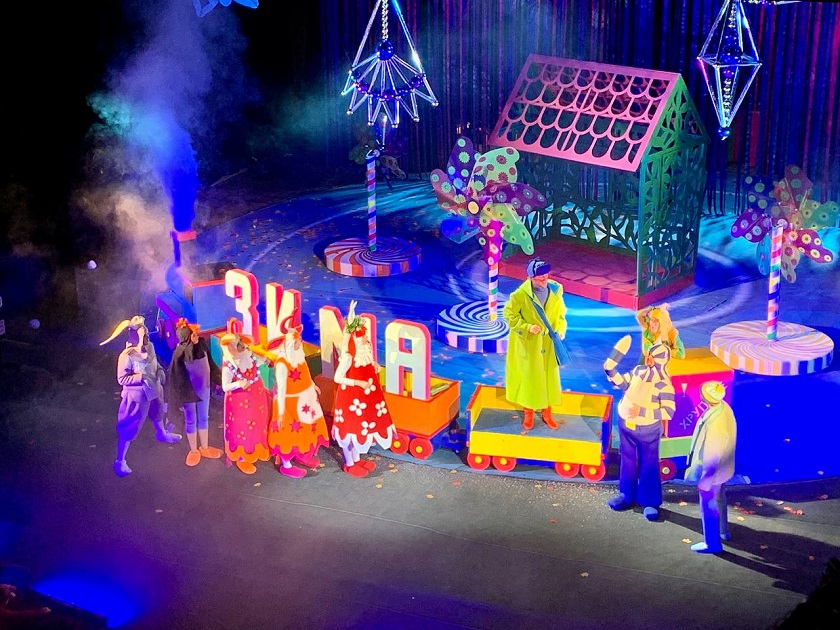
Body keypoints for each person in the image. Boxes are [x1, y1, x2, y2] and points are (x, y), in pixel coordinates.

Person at [603, 335, 675, 521]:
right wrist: (611, 371)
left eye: (652, 356)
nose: (648, 358)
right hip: (626, 426)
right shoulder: (639, 371)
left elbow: (668, 411)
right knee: (627, 461)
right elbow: (624, 384)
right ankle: (626, 495)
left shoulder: (664, 384)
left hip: (647, 431)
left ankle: (649, 502)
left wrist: (641, 411)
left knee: (649, 465)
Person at [100, 315, 182, 477]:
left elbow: (155, 364)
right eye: (143, 336)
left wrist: (160, 371)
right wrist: (140, 377)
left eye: (146, 335)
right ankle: (120, 461)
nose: (146, 338)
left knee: (158, 414)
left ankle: (162, 434)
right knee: (129, 426)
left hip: (155, 391)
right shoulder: (127, 356)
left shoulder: (150, 347)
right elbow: (122, 379)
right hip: (137, 397)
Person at [332, 300, 397, 478]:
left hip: (364, 400)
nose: (366, 339)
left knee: (359, 428)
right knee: (350, 429)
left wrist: (374, 365)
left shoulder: (365, 355)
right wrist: (358, 383)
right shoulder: (348, 357)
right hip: (351, 400)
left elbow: (365, 365)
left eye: (365, 336)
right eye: (362, 338)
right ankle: (349, 463)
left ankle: (357, 459)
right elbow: (338, 378)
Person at [502, 257, 568, 431]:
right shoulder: (520, 295)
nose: (544, 279)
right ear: (531, 278)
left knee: (549, 379)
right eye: (540, 277)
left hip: (548, 343)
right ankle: (529, 412)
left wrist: (561, 329)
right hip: (530, 345)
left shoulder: (555, 291)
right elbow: (509, 315)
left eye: (546, 275)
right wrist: (527, 327)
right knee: (530, 379)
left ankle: (547, 412)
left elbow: (561, 315)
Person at [267, 319, 329, 478]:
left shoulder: (298, 355)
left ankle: (302, 454)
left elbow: (305, 372)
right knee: (288, 432)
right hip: (290, 403)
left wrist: (312, 385)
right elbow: (281, 389)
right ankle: (286, 465)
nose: (300, 343)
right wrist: (281, 413)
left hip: (306, 400)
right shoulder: (282, 364)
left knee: (306, 428)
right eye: (297, 341)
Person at [684, 380, 737, 554]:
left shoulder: (715, 422)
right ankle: (723, 531)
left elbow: (712, 455)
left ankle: (712, 543)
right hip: (723, 469)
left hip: (712, 472)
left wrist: (706, 480)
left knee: (708, 504)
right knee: (720, 498)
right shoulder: (724, 408)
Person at [166, 318, 224, 467]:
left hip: (204, 389)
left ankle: (204, 447)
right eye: (193, 334)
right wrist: (178, 398)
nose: (196, 336)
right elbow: (176, 376)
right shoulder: (180, 353)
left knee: (204, 418)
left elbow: (210, 364)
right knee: (191, 420)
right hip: (188, 393)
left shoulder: (201, 347)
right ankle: (193, 450)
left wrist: (219, 380)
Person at [219, 331, 271, 475]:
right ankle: (242, 456)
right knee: (242, 427)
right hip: (240, 401)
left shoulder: (248, 355)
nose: (241, 348)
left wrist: (265, 360)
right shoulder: (229, 364)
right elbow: (225, 386)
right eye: (236, 346)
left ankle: (256, 449)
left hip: (256, 397)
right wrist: (239, 384)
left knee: (257, 423)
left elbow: (256, 361)